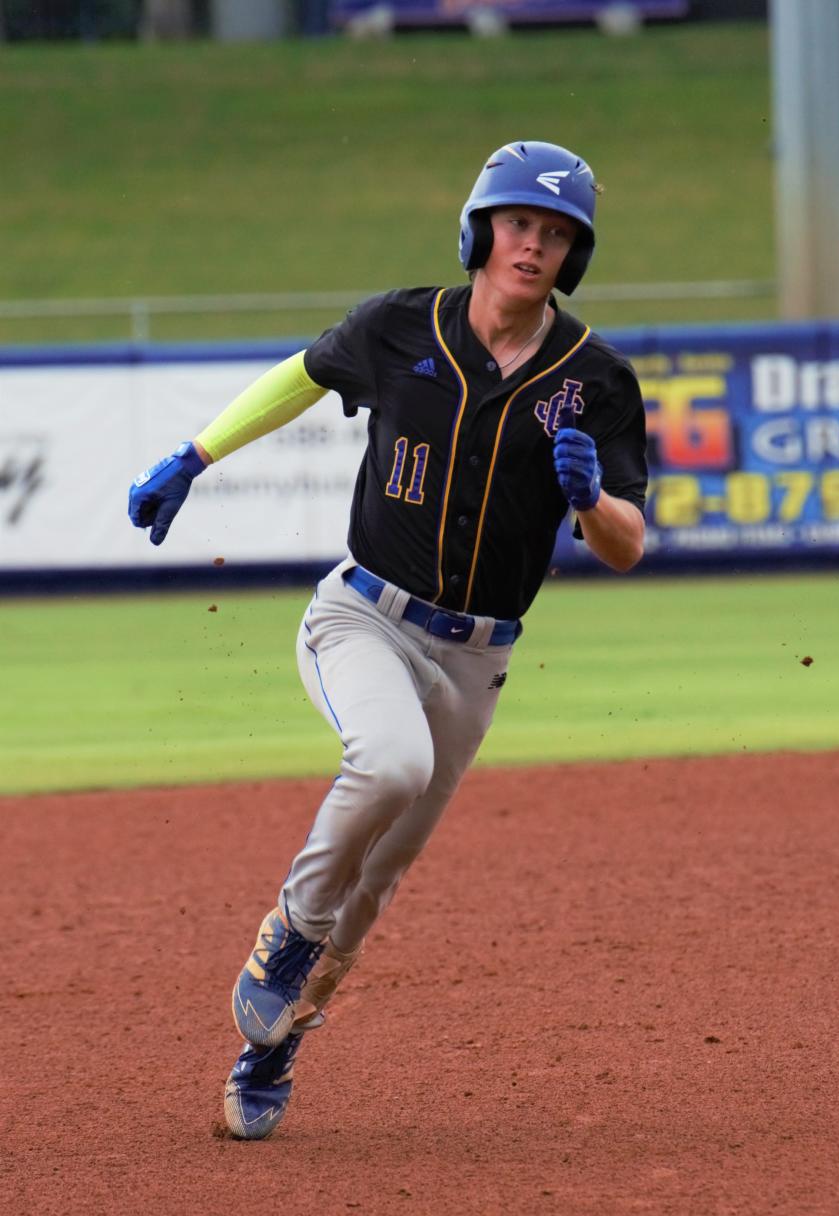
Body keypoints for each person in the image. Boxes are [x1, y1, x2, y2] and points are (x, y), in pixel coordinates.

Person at [128, 139, 647, 1140]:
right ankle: (290, 924)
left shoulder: (596, 383)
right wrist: (194, 455)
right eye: (518, 222)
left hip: (478, 659)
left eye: (555, 232)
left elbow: (629, 543)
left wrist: (591, 504)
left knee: (378, 884)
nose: (532, 244)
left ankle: (273, 1046)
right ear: (480, 229)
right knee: (391, 762)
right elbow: (302, 375)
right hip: (362, 615)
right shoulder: (400, 325)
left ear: (572, 254)